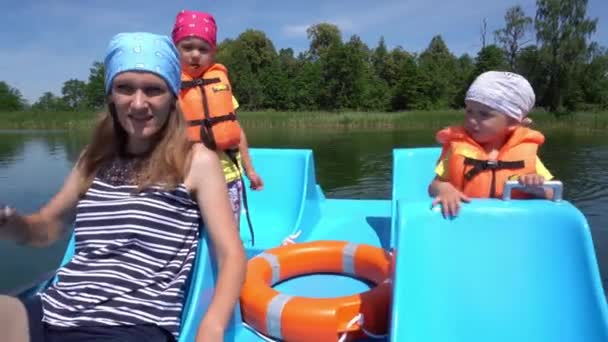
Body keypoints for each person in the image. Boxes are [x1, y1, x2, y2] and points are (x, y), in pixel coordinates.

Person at [0, 32, 246, 342]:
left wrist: (212, 325)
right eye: (125, 88)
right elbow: (47, 227)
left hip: (133, 327)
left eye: (153, 90)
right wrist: (11, 224)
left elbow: (231, 254)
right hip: (53, 310)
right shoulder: (94, 159)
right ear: (111, 96)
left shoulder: (196, 161)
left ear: (172, 97)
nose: (139, 103)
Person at [171, 10, 263, 230]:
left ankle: (228, 261)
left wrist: (250, 171)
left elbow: (236, 131)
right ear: (175, 49)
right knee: (190, 232)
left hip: (228, 177)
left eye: (203, 49)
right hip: (187, 178)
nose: (195, 55)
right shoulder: (169, 90)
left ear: (213, 52)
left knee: (229, 230)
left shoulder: (220, 85)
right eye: (187, 47)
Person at [429, 71, 555, 218]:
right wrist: (445, 190)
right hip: (466, 220)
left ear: (512, 122)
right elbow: (434, 185)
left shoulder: (527, 154)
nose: (471, 120)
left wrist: (536, 187)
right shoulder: (457, 150)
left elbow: (551, 193)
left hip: (513, 223)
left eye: (484, 114)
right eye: (469, 111)